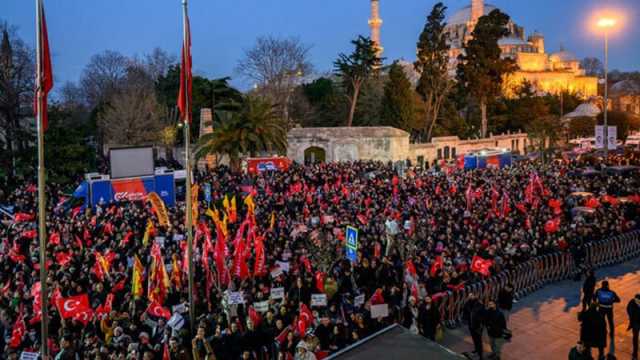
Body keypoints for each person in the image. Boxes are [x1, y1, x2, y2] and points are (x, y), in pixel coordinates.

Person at [463, 294, 486, 360]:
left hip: (478, 326)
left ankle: (481, 356)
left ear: (476, 296)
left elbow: (483, 316)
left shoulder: (480, 304)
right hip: (471, 325)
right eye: (469, 295)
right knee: (474, 339)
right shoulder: (468, 303)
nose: (470, 296)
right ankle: (476, 350)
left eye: (472, 295)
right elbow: (465, 309)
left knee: (478, 340)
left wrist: (481, 325)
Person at [627, 294, 640, 360]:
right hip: (635, 323)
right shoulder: (632, 301)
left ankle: (635, 353)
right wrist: (630, 316)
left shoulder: (633, 302)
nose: (636, 300)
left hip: (636, 322)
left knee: (635, 338)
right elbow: (628, 308)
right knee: (635, 338)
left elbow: (628, 309)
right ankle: (635, 353)